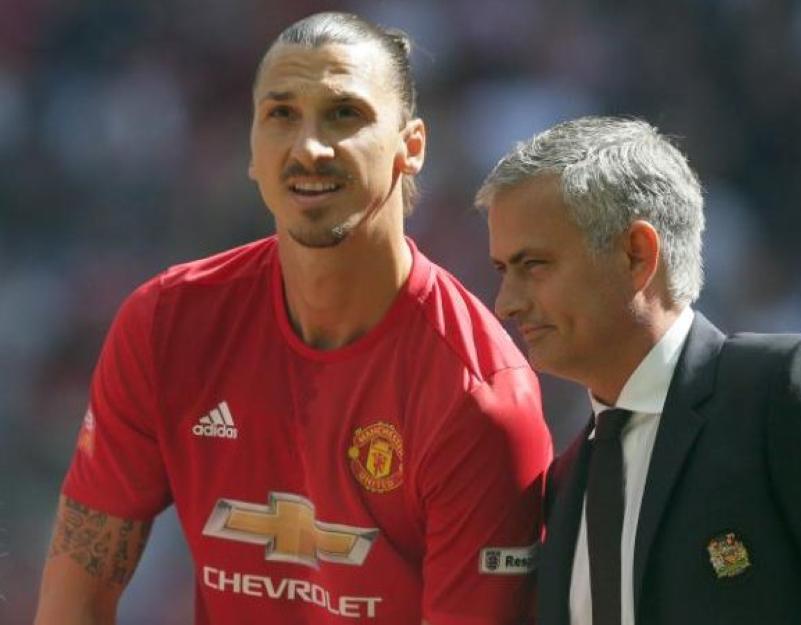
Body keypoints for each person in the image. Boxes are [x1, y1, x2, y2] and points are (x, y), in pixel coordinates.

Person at [34, 12, 552, 625]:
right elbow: (74, 600)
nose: (308, 147)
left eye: (344, 114)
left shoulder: (479, 399)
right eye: (281, 114)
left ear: (411, 148)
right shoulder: (165, 325)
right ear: (252, 150)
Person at [477, 116, 801, 625]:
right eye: (502, 270)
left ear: (636, 254)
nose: (506, 303)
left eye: (534, 265)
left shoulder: (794, 393)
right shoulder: (564, 484)